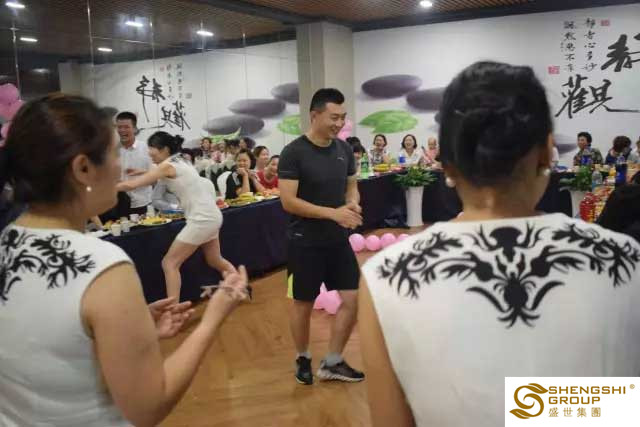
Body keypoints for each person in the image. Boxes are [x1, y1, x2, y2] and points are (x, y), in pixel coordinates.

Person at [358, 62, 640, 427]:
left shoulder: (387, 276)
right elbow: (621, 408)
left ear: (446, 164)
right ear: (546, 152)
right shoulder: (626, 258)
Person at [0, 94, 250, 427]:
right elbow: (148, 405)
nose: (120, 165)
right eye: (115, 153)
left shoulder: (7, 241)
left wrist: (128, 328)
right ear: (83, 168)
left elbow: (47, 344)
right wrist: (212, 320)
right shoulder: (102, 265)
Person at [279, 88, 365, 385]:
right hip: (304, 242)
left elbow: (351, 186)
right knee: (302, 304)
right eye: (334, 117)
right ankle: (303, 356)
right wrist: (333, 213)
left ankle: (333, 361)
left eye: (343, 118)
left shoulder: (343, 150)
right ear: (314, 115)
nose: (339, 124)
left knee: (353, 299)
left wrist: (352, 203)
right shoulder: (294, 152)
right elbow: (288, 201)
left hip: (337, 241)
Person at [117, 131, 236, 299]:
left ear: (164, 149)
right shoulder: (180, 160)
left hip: (201, 219)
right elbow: (157, 173)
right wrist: (140, 172)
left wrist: (105, 187)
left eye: (152, 150)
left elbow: (133, 185)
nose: (150, 154)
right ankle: (240, 285)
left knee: (169, 263)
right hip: (212, 216)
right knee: (214, 259)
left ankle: (173, 308)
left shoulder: (166, 166)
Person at [116, 111, 153, 216]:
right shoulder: (111, 151)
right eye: (119, 127)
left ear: (135, 129)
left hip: (142, 202)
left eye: (126, 127)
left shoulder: (146, 149)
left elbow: (156, 177)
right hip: (118, 205)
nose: (122, 130)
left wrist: (141, 174)